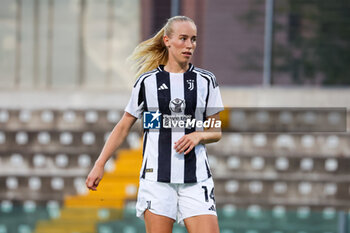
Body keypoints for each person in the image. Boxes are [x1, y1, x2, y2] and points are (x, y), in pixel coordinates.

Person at [86, 15, 224, 233]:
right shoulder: (146, 83)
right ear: (167, 41)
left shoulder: (206, 81)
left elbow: (216, 130)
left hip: (196, 180)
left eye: (193, 39)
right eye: (183, 38)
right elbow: (123, 126)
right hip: (156, 181)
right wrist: (100, 163)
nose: (189, 45)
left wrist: (199, 135)